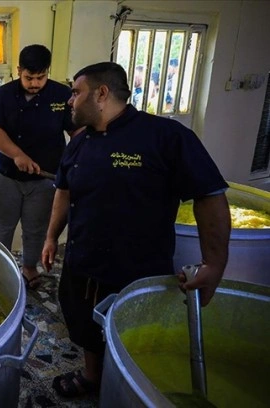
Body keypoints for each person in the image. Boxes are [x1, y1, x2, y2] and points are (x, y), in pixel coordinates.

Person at [41, 62, 230, 398]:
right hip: (82, 262)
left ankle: (129, 391)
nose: (70, 101)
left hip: (137, 270)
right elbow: (64, 190)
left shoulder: (166, 137)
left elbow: (209, 195)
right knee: (84, 325)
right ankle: (92, 377)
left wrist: (214, 264)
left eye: (76, 92)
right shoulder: (80, 142)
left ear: (101, 94)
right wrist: (52, 236)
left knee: (133, 339)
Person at [0, 44, 75, 290]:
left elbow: (76, 130)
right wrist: (17, 155)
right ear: (18, 71)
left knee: (36, 228)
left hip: (45, 179)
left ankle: (29, 266)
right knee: (1, 227)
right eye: (29, 78)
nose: (35, 83)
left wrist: (79, 160)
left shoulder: (62, 95)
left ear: (48, 72)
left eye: (40, 77)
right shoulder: (3, 94)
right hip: (6, 175)